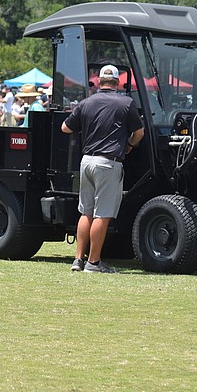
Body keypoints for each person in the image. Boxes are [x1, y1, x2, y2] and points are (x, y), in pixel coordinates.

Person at [61, 64, 144, 274]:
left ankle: (78, 260)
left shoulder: (86, 102)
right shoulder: (126, 103)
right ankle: (94, 262)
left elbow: (65, 127)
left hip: (86, 161)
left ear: (99, 81)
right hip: (108, 162)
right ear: (118, 82)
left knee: (85, 212)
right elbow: (139, 132)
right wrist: (130, 146)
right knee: (102, 214)